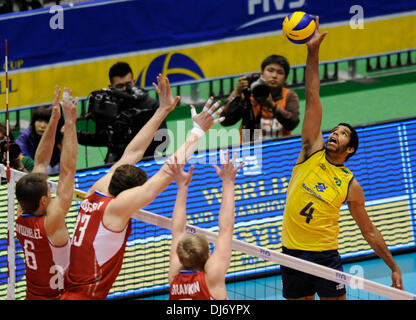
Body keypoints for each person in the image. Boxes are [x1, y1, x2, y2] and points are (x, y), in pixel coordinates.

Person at [61, 75, 224, 300]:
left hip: (70, 291)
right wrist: (197, 132)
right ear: (127, 194)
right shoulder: (116, 208)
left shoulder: (98, 189)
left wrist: (162, 110)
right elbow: (168, 171)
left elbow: (133, 153)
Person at [280, 17, 403, 300]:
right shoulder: (311, 150)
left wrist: (393, 266)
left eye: (343, 133)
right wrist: (312, 52)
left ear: (350, 150)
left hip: (325, 257)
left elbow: (369, 230)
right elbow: (312, 95)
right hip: (293, 252)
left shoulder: (350, 184)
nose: (335, 133)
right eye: (335, 130)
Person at [15, 86, 79, 300]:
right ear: (44, 200)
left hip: (32, 295)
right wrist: (70, 123)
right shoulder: (52, 222)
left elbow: (40, 163)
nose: (53, 195)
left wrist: (54, 119)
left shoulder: (19, 216)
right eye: (49, 194)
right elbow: (68, 170)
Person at [168, 150, 244, 300]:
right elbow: (226, 228)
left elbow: (177, 230)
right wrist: (228, 182)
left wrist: (182, 186)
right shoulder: (212, 277)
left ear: (181, 257)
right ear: (208, 255)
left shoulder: (174, 276)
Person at [77, 61, 168, 164]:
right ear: (110, 86)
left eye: (128, 85)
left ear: (134, 82)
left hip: (146, 160)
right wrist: (75, 135)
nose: (125, 90)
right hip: (117, 162)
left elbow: (163, 142)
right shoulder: (107, 106)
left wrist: (137, 122)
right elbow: (103, 138)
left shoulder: (150, 105)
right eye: (119, 86)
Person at [220, 54, 299, 142]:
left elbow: (292, 123)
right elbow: (225, 121)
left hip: (280, 148)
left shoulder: (289, 96)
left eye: (280, 72)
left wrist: (272, 105)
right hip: (250, 148)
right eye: (270, 70)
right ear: (262, 74)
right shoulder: (248, 93)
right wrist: (237, 93)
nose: (274, 76)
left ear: (285, 79)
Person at [16, 104, 64, 175]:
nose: (42, 126)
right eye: (39, 121)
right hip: (31, 174)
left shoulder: (60, 135)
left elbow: (67, 161)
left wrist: (65, 137)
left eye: (47, 122)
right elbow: (23, 161)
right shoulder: (24, 137)